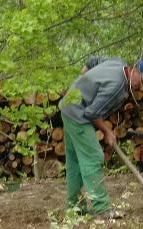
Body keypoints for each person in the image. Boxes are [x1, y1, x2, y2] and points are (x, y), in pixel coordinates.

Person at [60, 56, 141, 219]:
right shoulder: (117, 87)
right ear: (135, 70)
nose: (141, 86)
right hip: (78, 115)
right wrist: (107, 131)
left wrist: (79, 84)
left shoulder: (118, 63)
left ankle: (75, 208)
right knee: (94, 157)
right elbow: (92, 113)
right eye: (142, 80)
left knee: (75, 160)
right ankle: (103, 208)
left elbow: (91, 62)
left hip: (68, 107)